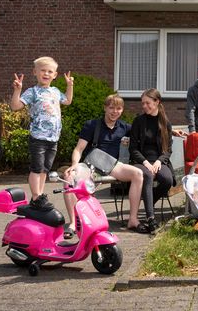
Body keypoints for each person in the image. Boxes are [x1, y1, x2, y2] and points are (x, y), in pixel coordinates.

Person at [63, 94, 148, 239]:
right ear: (105, 108)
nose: (115, 112)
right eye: (111, 108)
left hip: (112, 165)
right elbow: (79, 149)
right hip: (92, 165)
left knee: (138, 174)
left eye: (119, 108)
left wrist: (171, 131)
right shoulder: (92, 125)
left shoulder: (124, 127)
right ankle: (73, 223)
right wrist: (74, 165)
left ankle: (133, 220)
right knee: (69, 177)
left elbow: (147, 132)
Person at [10, 56, 73, 211]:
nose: (46, 74)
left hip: (53, 138)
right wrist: (17, 90)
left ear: (55, 75)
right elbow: (15, 106)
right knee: (36, 168)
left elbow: (68, 101)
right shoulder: (32, 92)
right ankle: (36, 196)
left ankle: (39, 195)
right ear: (35, 72)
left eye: (49, 71)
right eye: (42, 71)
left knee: (45, 168)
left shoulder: (56, 91)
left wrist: (70, 86)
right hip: (38, 138)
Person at [129, 88, 176, 233]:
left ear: (157, 102)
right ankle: (150, 218)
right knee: (148, 175)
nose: (144, 106)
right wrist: (146, 163)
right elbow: (133, 148)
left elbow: (168, 149)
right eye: (143, 103)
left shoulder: (165, 123)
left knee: (167, 180)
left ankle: (148, 202)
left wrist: (159, 161)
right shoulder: (138, 121)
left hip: (159, 162)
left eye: (147, 103)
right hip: (141, 161)